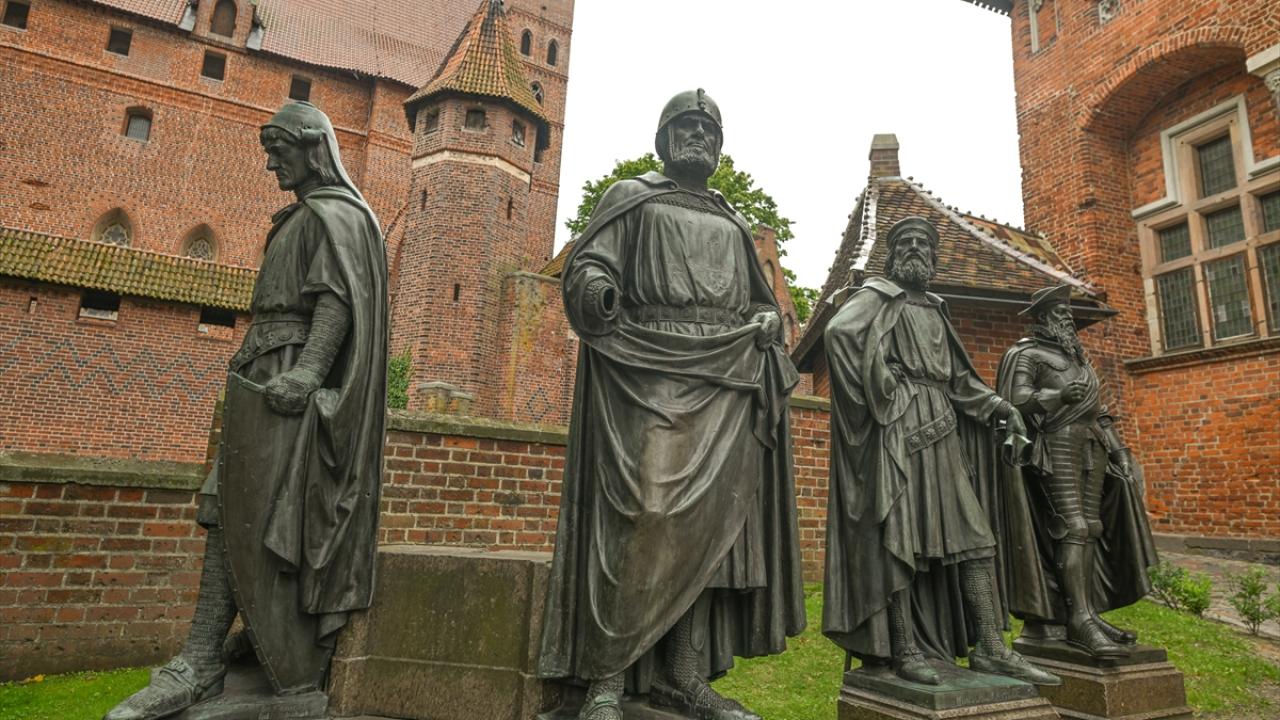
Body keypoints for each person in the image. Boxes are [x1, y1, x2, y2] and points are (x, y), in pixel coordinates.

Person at [105, 101, 388, 720]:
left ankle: (211, 660)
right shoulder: (298, 217)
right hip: (261, 374)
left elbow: (337, 300)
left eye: (278, 151)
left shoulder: (336, 215)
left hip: (287, 383)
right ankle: (209, 653)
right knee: (224, 505)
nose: (269, 164)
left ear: (312, 147)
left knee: (253, 511)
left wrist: (308, 372)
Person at [537, 89, 805, 720]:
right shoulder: (631, 198)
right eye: (686, 126)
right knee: (644, 516)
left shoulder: (732, 221)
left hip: (725, 379)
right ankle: (606, 677)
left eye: (709, 130)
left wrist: (768, 320)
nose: (699, 137)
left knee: (709, 530)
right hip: (648, 368)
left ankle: (681, 676)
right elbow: (588, 266)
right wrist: (597, 288)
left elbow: (760, 301)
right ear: (663, 139)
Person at [822, 216, 1058, 687]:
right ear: (892, 256)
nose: (915, 249)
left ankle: (990, 647)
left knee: (975, 539)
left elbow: (960, 381)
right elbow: (838, 336)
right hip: (899, 433)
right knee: (900, 539)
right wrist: (882, 392)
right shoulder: (876, 296)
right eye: (905, 243)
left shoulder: (935, 308)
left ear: (933, 257)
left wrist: (1001, 407)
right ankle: (903, 648)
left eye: (923, 244)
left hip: (944, 433)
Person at [995, 286, 1157, 657]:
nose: (1068, 318)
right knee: (1072, 527)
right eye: (1060, 313)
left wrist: (1119, 450)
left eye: (1069, 312)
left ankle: (1087, 612)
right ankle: (1078, 618)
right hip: (1055, 445)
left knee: (1093, 527)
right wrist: (1057, 397)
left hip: (1092, 444)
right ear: (1042, 318)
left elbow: (1100, 411)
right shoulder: (1026, 354)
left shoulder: (1078, 359)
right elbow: (1013, 401)